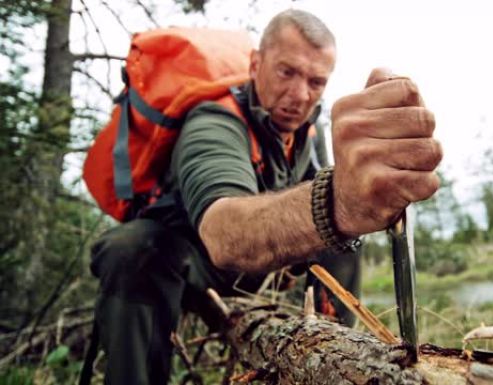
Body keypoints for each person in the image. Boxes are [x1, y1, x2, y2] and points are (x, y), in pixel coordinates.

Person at [87, 9, 441, 385]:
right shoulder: (213, 121)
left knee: (344, 239)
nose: (299, 95)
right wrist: (339, 203)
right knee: (132, 248)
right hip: (190, 267)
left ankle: (334, 357)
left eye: (316, 81)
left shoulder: (307, 133)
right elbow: (224, 234)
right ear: (256, 64)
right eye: (286, 72)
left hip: (256, 271)